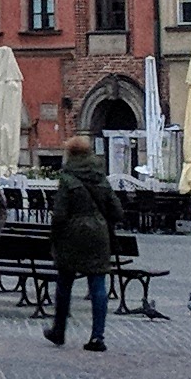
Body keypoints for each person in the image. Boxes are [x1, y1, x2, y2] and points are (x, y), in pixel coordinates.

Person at [45, 144, 123, 350]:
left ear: (70, 154)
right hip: (98, 236)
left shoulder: (67, 178)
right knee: (97, 284)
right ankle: (98, 336)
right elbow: (117, 211)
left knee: (65, 283)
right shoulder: (100, 178)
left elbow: (59, 214)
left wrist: (55, 237)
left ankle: (59, 331)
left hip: (72, 235)